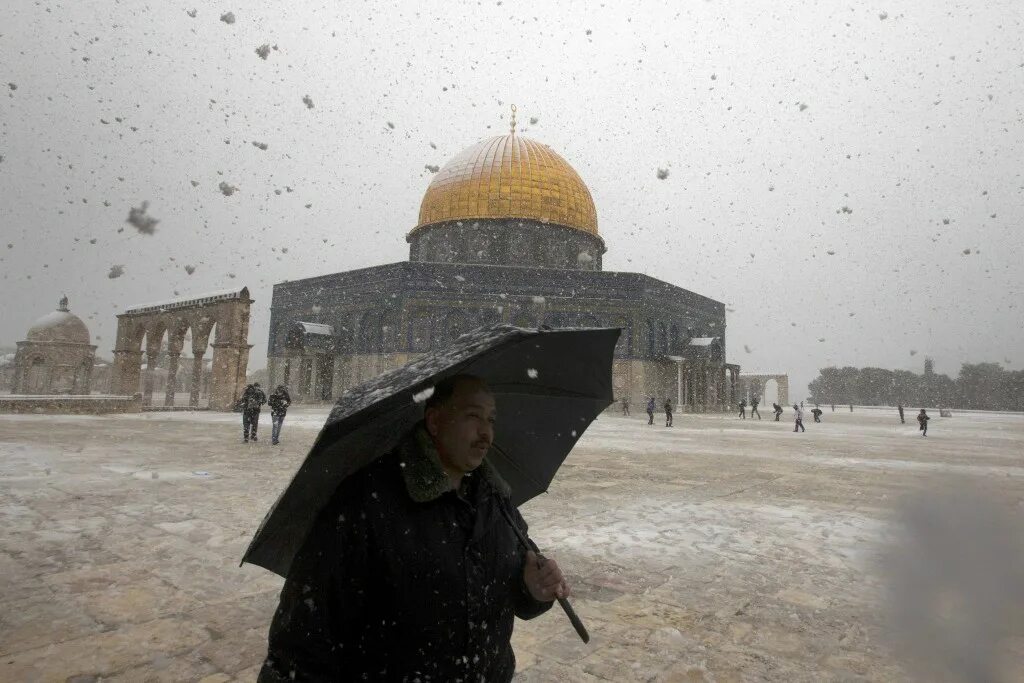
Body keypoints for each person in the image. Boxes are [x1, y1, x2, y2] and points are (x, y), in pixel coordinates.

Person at [258, 375, 566, 681]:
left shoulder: (496, 499)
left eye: (491, 420)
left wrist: (533, 591)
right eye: (473, 416)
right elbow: (302, 640)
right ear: (435, 421)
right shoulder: (367, 502)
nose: (486, 433)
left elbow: (517, 583)